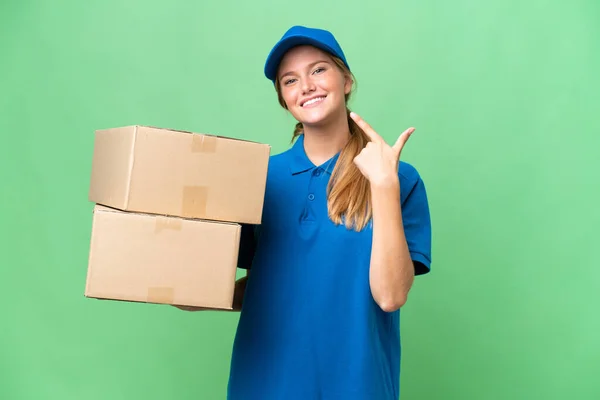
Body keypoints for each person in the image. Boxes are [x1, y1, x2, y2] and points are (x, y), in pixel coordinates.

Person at [183, 25, 432, 399]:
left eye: (318, 70)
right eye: (290, 80)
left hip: (356, 383)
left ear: (346, 80)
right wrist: (177, 278)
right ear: (284, 99)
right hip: (266, 382)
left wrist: (383, 187)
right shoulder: (257, 178)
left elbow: (391, 295)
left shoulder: (398, 178)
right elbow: (253, 286)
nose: (306, 86)